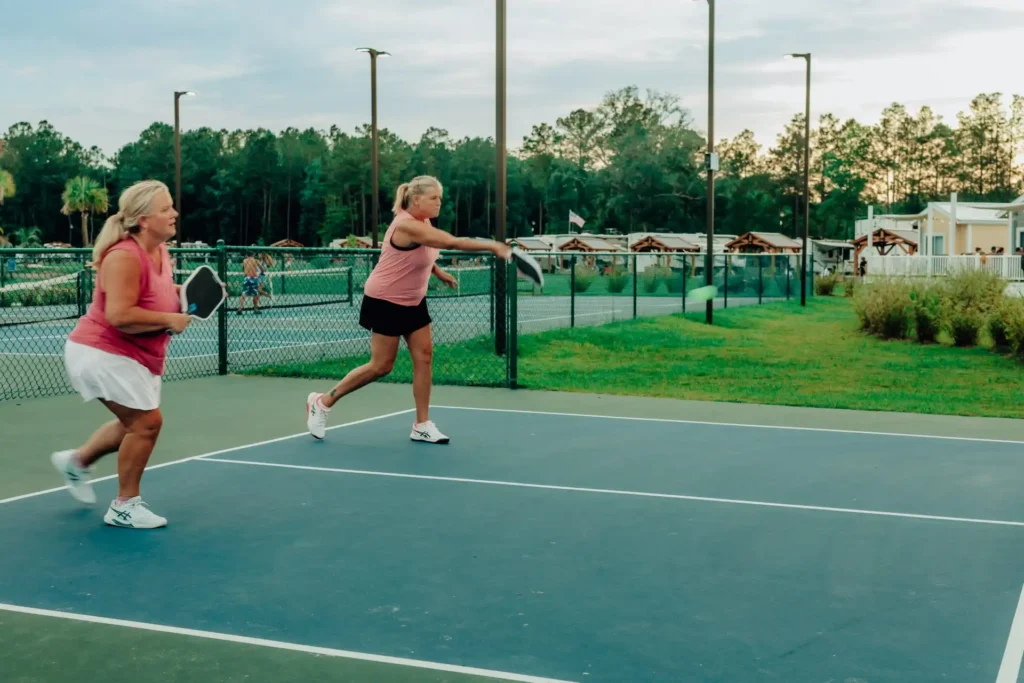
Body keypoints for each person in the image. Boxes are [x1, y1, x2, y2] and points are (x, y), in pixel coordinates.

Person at [305, 175, 511, 443]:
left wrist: (437, 271)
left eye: (440, 198)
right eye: (434, 198)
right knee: (381, 366)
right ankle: (322, 401)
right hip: (385, 300)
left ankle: (421, 425)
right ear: (416, 200)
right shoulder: (406, 225)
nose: (439, 203)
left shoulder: (423, 221)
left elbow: (422, 251)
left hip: (413, 299)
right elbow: (450, 242)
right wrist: (493, 245)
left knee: (424, 357)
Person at [50, 180, 191, 529]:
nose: (173, 213)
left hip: (137, 353)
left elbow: (156, 291)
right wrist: (170, 318)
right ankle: (124, 506)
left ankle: (77, 462)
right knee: (146, 423)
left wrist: (188, 293)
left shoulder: (159, 250)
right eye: (165, 208)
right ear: (144, 219)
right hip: (101, 352)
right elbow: (120, 314)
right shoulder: (124, 256)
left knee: (132, 422)